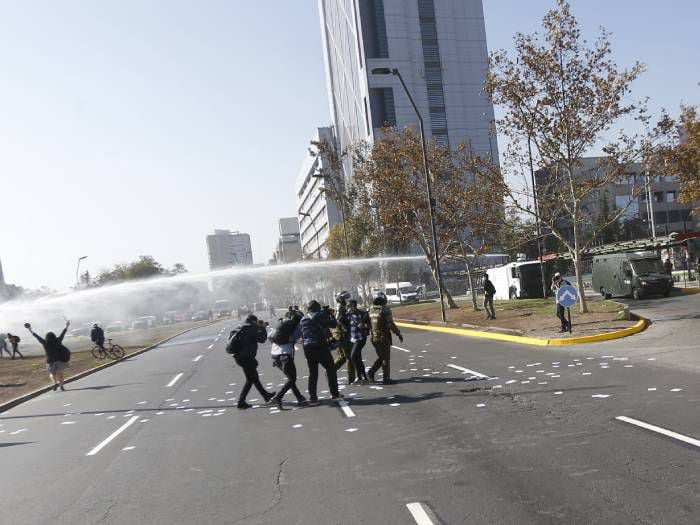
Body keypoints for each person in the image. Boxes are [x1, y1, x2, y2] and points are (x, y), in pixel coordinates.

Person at [229, 314, 275, 409]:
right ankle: (241, 401)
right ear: (254, 321)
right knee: (251, 379)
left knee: (253, 377)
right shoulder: (251, 328)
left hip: (239, 357)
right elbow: (262, 339)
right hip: (247, 357)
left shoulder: (241, 327)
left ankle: (265, 395)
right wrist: (262, 328)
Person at [300, 299, 341, 405]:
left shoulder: (303, 318)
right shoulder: (319, 315)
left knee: (313, 374)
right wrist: (330, 315)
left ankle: (313, 398)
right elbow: (333, 324)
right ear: (318, 308)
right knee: (331, 369)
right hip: (320, 347)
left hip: (308, 349)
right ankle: (334, 394)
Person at [267, 314, 307, 409]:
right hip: (285, 354)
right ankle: (278, 397)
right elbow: (300, 337)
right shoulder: (295, 326)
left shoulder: (281, 324)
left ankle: (299, 397)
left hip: (274, 354)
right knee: (292, 378)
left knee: (290, 377)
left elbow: (269, 336)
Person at [25, 320, 71, 391]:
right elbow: (63, 333)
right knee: (60, 373)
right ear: (54, 336)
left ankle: (55, 383)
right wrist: (67, 325)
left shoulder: (45, 342)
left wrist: (30, 330)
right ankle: (61, 385)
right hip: (59, 359)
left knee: (52, 374)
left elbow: (37, 336)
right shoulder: (58, 340)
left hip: (50, 361)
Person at [368, 292, 403, 384]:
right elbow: (390, 324)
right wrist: (398, 333)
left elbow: (366, 323)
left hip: (374, 337)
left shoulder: (371, 310)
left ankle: (371, 373)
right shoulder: (384, 310)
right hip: (383, 337)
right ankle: (385, 378)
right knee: (385, 358)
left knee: (381, 357)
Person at [332, 291, 355, 384]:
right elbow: (338, 320)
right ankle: (352, 379)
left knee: (342, 357)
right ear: (341, 299)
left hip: (339, 334)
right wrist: (345, 328)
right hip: (341, 335)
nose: (347, 300)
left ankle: (330, 371)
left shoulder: (341, 307)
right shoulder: (340, 307)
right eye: (346, 298)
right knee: (349, 357)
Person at [347, 299, 369, 383]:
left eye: (351, 306)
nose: (349, 308)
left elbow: (370, 325)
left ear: (355, 306)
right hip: (352, 339)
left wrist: (364, 325)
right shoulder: (347, 315)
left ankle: (359, 376)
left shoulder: (362, 314)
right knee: (358, 358)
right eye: (348, 306)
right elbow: (339, 321)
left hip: (360, 338)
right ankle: (363, 377)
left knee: (353, 356)